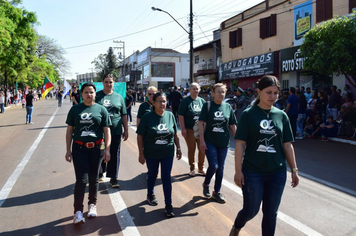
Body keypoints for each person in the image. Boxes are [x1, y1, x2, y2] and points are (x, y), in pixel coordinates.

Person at [230, 75, 299, 236]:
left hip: (277, 173)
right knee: (250, 210)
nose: (273, 97)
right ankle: (237, 227)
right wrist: (238, 171)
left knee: (271, 214)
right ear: (259, 92)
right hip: (253, 172)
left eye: (276, 93)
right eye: (269, 92)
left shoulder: (282, 116)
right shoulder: (248, 114)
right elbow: (240, 144)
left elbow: (287, 145)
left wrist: (294, 170)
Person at [65, 82, 111, 224]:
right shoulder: (75, 109)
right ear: (81, 94)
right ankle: (78, 211)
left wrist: (107, 149)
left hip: (97, 148)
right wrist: (68, 149)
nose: (89, 95)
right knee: (81, 180)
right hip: (79, 149)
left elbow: (106, 130)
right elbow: (69, 130)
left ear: (95, 94)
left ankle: (92, 205)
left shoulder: (101, 110)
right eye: (86, 92)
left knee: (94, 178)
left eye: (91, 92)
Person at [136, 92, 182, 217]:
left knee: (166, 177)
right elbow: (140, 136)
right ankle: (150, 194)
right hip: (151, 152)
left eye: (164, 101)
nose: (162, 104)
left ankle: (168, 205)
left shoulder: (170, 115)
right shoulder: (147, 117)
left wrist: (178, 148)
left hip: (167, 152)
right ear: (154, 103)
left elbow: (175, 133)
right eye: (159, 101)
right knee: (152, 174)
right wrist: (141, 153)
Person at [199, 83, 237, 204]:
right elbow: (201, 123)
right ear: (213, 94)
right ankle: (206, 183)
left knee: (221, 168)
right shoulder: (208, 105)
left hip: (224, 142)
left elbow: (232, 125)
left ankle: (217, 192)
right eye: (218, 92)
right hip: (210, 141)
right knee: (214, 166)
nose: (221, 94)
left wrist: (240, 140)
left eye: (223, 92)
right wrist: (202, 140)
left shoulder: (228, 107)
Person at [95, 74, 128, 188]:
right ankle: (100, 172)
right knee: (100, 152)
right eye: (106, 82)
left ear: (114, 83)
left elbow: (124, 114)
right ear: (102, 83)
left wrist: (126, 130)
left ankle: (113, 177)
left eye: (111, 82)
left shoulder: (119, 97)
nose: (109, 84)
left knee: (115, 153)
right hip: (99, 131)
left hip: (116, 130)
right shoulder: (96, 96)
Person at [178, 83, 206, 177]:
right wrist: (183, 129)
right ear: (189, 90)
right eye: (193, 89)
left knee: (202, 149)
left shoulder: (202, 101)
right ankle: (192, 168)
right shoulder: (186, 101)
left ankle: (201, 168)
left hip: (201, 130)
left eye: (197, 89)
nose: (195, 91)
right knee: (191, 149)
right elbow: (181, 115)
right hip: (190, 130)